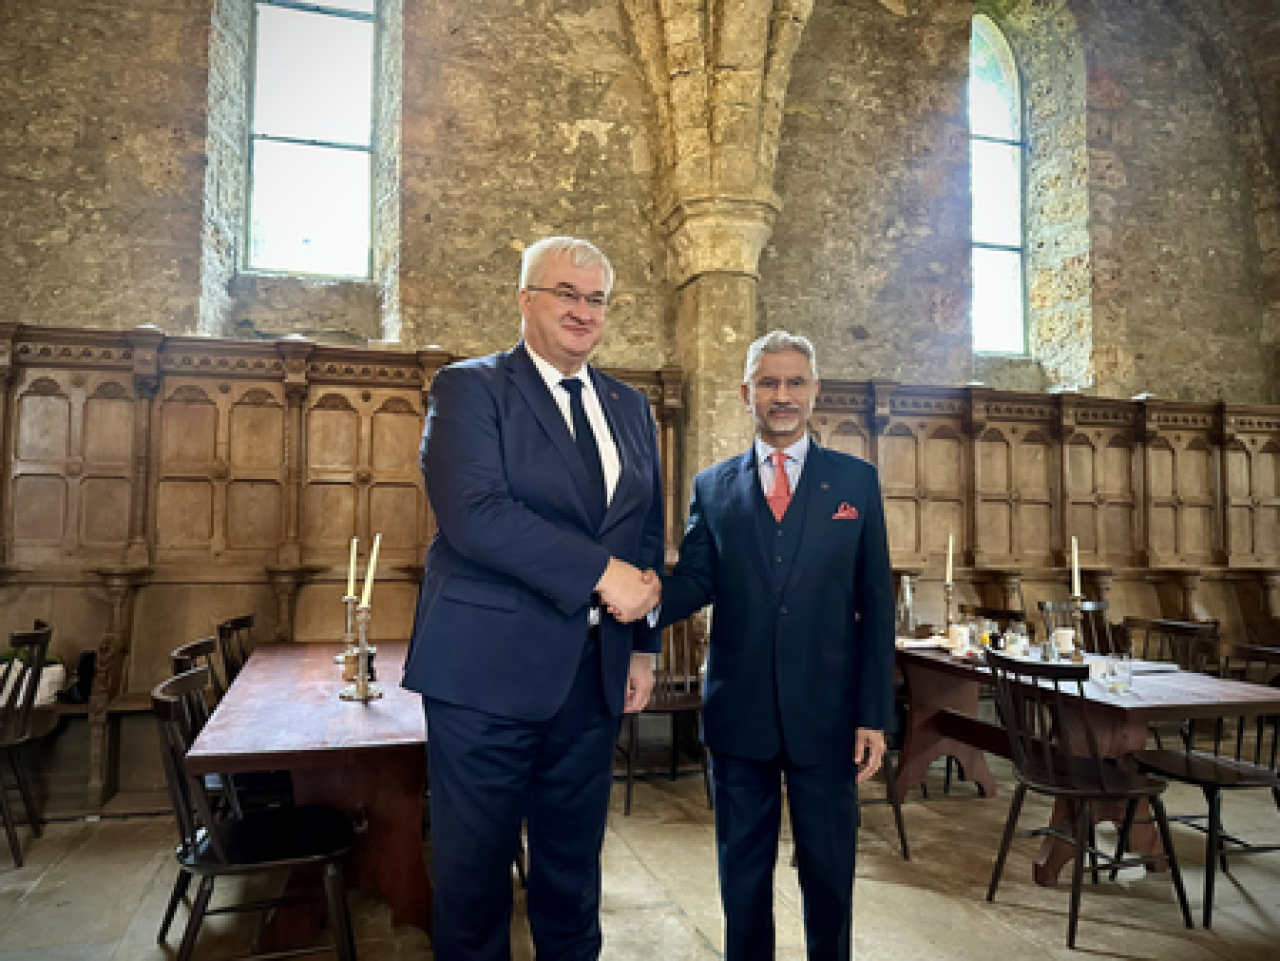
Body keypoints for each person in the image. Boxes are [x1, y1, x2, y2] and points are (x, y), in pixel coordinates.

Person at [403, 236, 664, 960]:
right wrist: (600, 573)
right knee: (474, 884)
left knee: (573, 878)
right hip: (484, 675)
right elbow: (474, 513)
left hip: (592, 676)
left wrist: (642, 646)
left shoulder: (630, 405)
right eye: (565, 293)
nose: (583, 311)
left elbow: (645, 528)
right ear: (525, 299)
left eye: (596, 298)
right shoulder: (470, 387)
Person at [660, 330, 896, 961]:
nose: (782, 395)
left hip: (830, 716)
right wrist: (633, 602)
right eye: (769, 383)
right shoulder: (713, 486)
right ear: (747, 393)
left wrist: (873, 714)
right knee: (742, 879)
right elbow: (695, 582)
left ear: (815, 391)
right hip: (739, 713)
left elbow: (876, 604)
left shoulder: (857, 482)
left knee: (829, 874)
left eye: (795, 382)